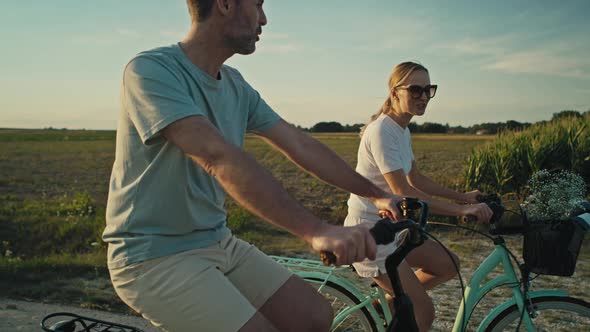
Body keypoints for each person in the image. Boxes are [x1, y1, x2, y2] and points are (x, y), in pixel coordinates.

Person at [103, 1, 405, 331]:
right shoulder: (151, 70)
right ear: (225, 3)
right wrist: (316, 230)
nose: (264, 19)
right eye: (258, 5)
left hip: (217, 241)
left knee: (314, 316)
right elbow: (216, 157)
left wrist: (376, 195)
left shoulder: (235, 85)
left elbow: (299, 144)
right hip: (152, 256)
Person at [344, 61, 494, 331]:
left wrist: (464, 198)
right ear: (394, 92)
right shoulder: (381, 131)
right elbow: (404, 192)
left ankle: (388, 303)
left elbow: (418, 180)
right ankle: (401, 304)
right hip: (369, 235)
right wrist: (460, 212)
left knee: (449, 265)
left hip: (392, 227)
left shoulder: (403, 130)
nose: (424, 96)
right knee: (422, 311)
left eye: (428, 89)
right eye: (415, 90)